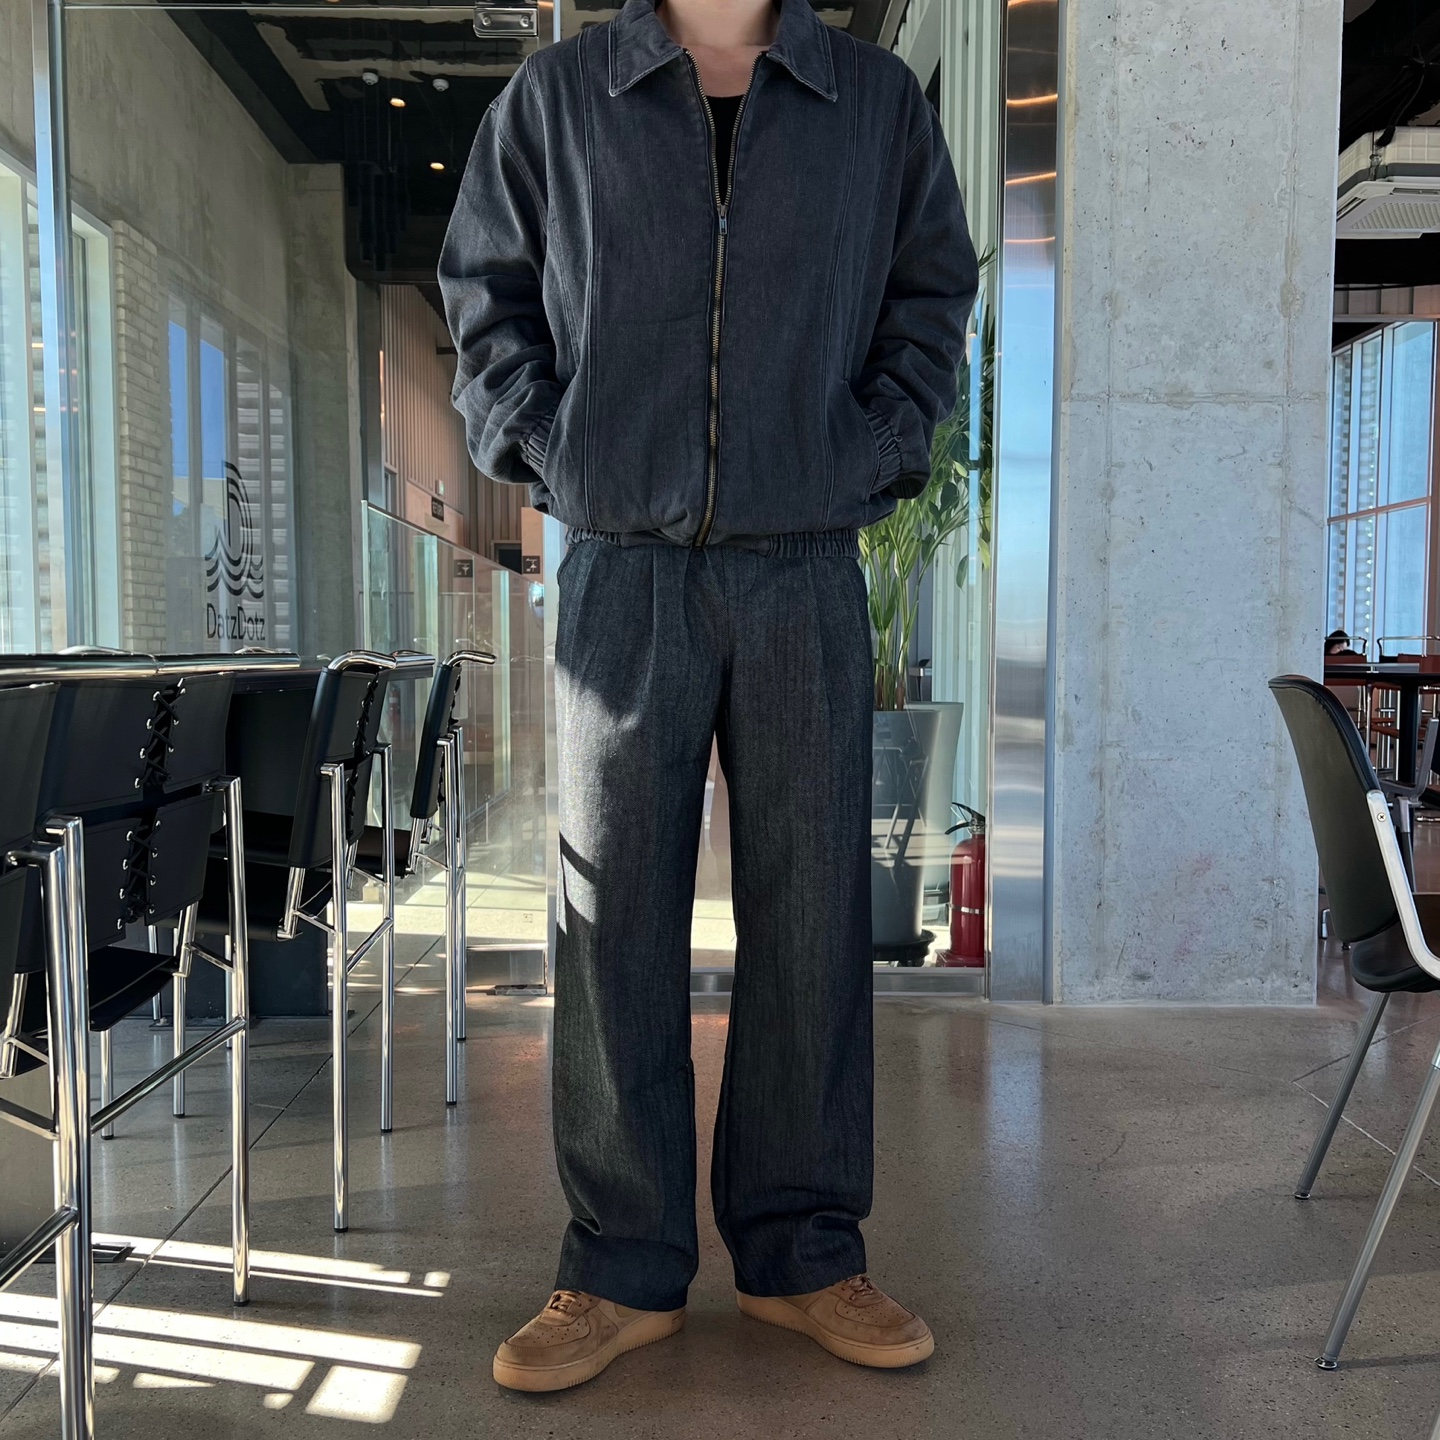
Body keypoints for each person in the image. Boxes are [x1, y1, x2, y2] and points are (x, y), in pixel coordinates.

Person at [440, 0, 976, 1392]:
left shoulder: (873, 102)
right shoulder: (562, 96)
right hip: (623, 565)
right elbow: (485, 290)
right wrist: (561, 449)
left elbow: (931, 297)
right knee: (608, 915)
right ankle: (621, 1265)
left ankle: (804, 1252)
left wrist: (870, 451)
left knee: (815, 913)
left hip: (806, 562)